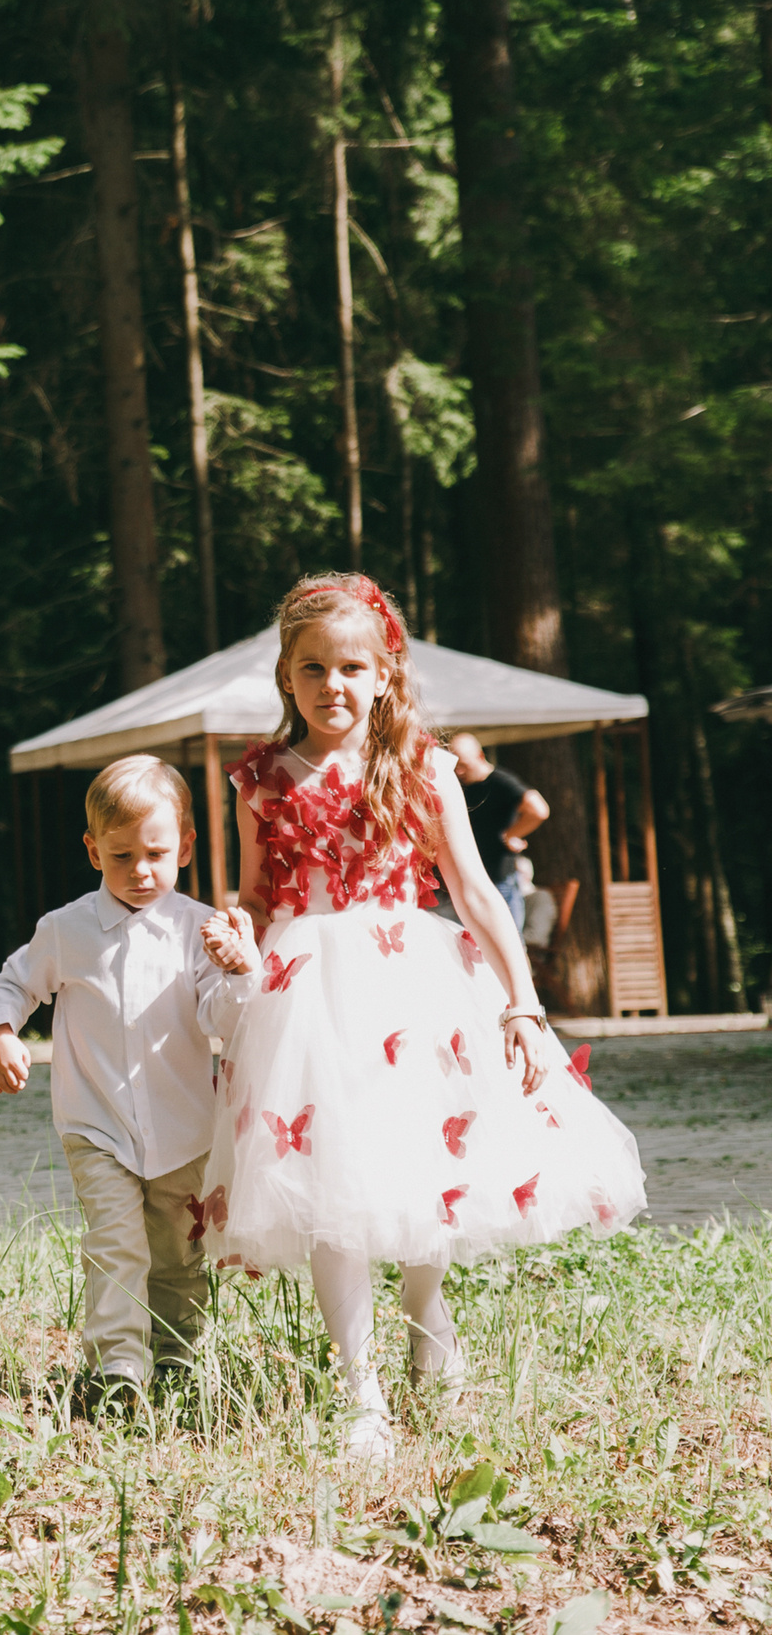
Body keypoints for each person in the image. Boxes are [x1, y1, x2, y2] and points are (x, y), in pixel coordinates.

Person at [197, 574, 645, 1463]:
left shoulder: (422, 766)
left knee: (417, 1154)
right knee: (332, 1178)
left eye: (351, 667)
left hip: (413, 979)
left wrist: (522, 1004)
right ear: (286, 677)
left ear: (384, 672)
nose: (333, 685)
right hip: (307, 988)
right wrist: (234, 931)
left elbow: (477, 891)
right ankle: (359, 1389)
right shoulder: (258, 779)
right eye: (312, 667)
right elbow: (254, 893)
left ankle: (424, 1311)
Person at [0, 755, 248, 1400]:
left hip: (185, 1129)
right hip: (95, 1125)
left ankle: (179, 1359)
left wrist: (239, 971)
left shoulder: (200, 929)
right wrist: (1, 1032)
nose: (139, 870)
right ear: (92, 851)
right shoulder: (67, 930)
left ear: (185, 846)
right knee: (117, 1244)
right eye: (121, 855)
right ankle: (118, 1370)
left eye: (155, 853)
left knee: (179, 1255)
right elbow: (12, 983)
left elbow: (222, 1018)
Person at [445, 732, 548, 930]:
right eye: (455, 766)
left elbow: (539, 810)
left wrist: (511, 835)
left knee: (507, 938)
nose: (459, 771)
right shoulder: (461, 785)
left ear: (480, 756)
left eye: (464, 765)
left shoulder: (501, 781)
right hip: (469, 878)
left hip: (498, 877)